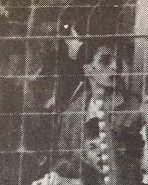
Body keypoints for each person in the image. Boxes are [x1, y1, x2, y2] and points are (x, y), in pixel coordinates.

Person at [52, 39, 142, 170]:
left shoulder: (134, 108)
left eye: (117, 61)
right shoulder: (72, 113)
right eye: (105, 61)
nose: (115, 67)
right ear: (87, 69)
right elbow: (62, 160)